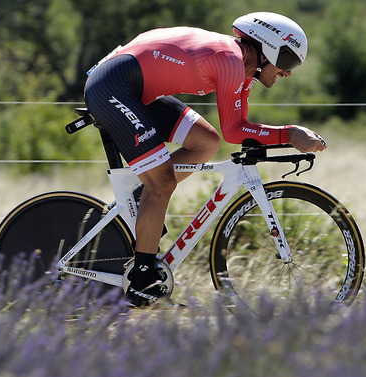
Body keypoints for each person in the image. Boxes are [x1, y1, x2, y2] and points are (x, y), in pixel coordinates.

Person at [84, 11, 327, 307]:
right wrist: (289, 134)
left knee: (205, 142)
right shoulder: (230, 60)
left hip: (135, 87)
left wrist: (286, 135)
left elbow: (232, 131)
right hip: (112, 87)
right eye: (288, 63)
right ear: (268, 48)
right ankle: (142, 277)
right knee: (161, 184)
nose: (287, 73)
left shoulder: (244, 68)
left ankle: (141, 199)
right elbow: (235, 131)